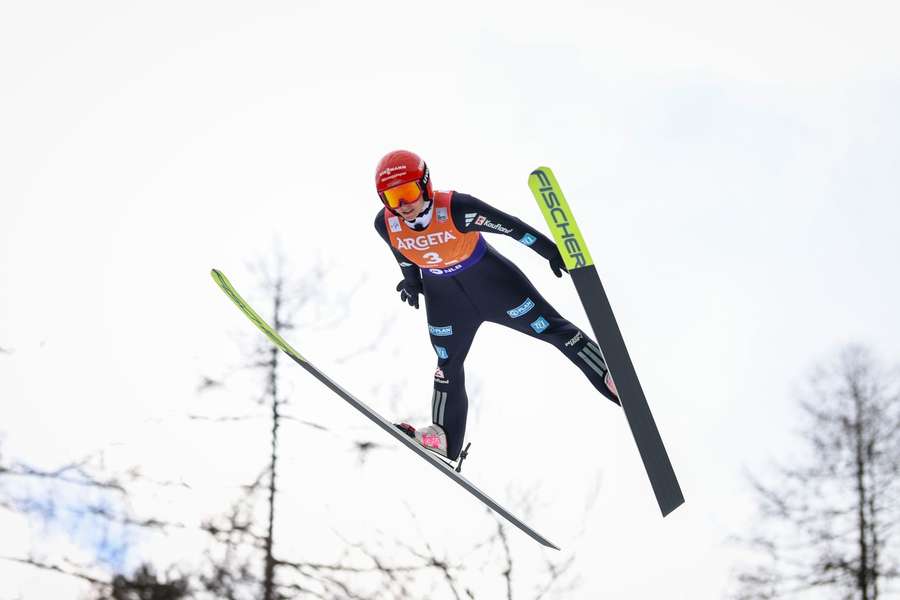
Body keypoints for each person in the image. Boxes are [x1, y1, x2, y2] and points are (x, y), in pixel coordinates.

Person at [373, 150, 619, 462]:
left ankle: (610, 377)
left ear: (425, 184)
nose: (402, 204)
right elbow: (401, 252)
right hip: (445, 299)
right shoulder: (386, 224)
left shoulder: (457, 208)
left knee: (552, 329)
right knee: (446, 363)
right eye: (392, 197)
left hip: (493, 284)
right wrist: (411, 281)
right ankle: (444, 437)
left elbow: (511, 227)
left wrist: (551, 251)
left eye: (407, 192)